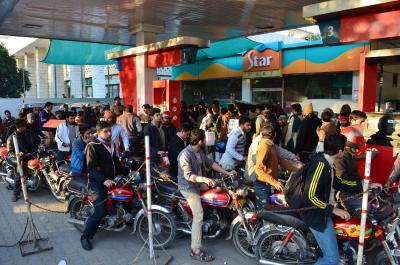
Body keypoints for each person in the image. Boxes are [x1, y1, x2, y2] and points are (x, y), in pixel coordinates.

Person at [299, 134, 359, 265]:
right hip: (316, 215)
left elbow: (339, 182)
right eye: (345, 148)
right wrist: (333, 209)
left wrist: (365, 185)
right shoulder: (320, 166)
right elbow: (310, 196)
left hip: (322, 210)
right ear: (339, 151)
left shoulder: (328, 164)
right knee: (332, 259)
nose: (346, 150)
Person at [177, 129, 236, 262]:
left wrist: (226, 173)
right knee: (198, 215)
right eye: (204, 139)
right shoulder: (185, 155)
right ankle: (195, 250)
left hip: (198, 183)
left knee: (219, 189)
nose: (205, 141)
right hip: (188, 187)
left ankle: (218, 220)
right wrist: (204, 179)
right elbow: (188, 176)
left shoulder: (199, 151)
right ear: (199, 141)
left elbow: (211, 163)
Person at [80, 121, 129, 250]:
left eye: (109, 131)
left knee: (128, 193)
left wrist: (128, 171)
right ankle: (85, 237)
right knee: (100, 212)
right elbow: (90, 168)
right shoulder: (93, 145)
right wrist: (103, 180)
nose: (108, 133)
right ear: (99, 132)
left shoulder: (112, 143)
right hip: (97, 183)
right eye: (105, 131)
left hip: (111, 179)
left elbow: (116, 162)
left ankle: (126, 218)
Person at [336, 131, 382, 211]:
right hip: (344, 193)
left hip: (353, 189)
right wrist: (363, 184)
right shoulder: (341, 159)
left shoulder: (350, 156)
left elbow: (359, 157)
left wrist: (366, 183)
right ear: (348, 146)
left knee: (376, 197)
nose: (357, 151)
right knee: (366, 207)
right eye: (355, 148)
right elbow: (342, 181)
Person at [253, 124, 296, 208]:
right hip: (263, 186)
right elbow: (258, 169)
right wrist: (274, 182)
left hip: (269, 184)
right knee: (265, 212)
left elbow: (280, 160)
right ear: (275, 135)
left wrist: (296, 170)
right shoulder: (264, 147)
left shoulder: (270, 145)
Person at [6, 119, 40, 202]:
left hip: (32, 154)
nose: (25, 128)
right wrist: (18, 154)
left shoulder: (30, 132)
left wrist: (38, 145)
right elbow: (10, 152)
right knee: (19, 175)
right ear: (18, 128)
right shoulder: (12, 137)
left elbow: (37, 139)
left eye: (25, 126)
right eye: (23, 127)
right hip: (21, 158)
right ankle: (15, 194)